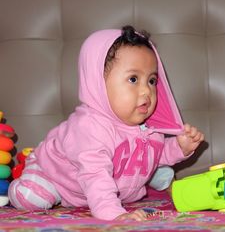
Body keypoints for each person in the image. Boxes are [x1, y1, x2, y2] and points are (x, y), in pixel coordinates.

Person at [8, 25, 204, 221]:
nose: (146, 91)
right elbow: (95, 176)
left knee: (158, 171)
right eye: (133, 79)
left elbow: (154, 155)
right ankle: (29, 176)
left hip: (117, 181)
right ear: (98, 83)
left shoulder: (149, 126)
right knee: (33, 198)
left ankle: (145, 181)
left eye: (152, 80)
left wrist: (179, 147)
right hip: (59, 177)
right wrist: (114, 215)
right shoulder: (90, 128)